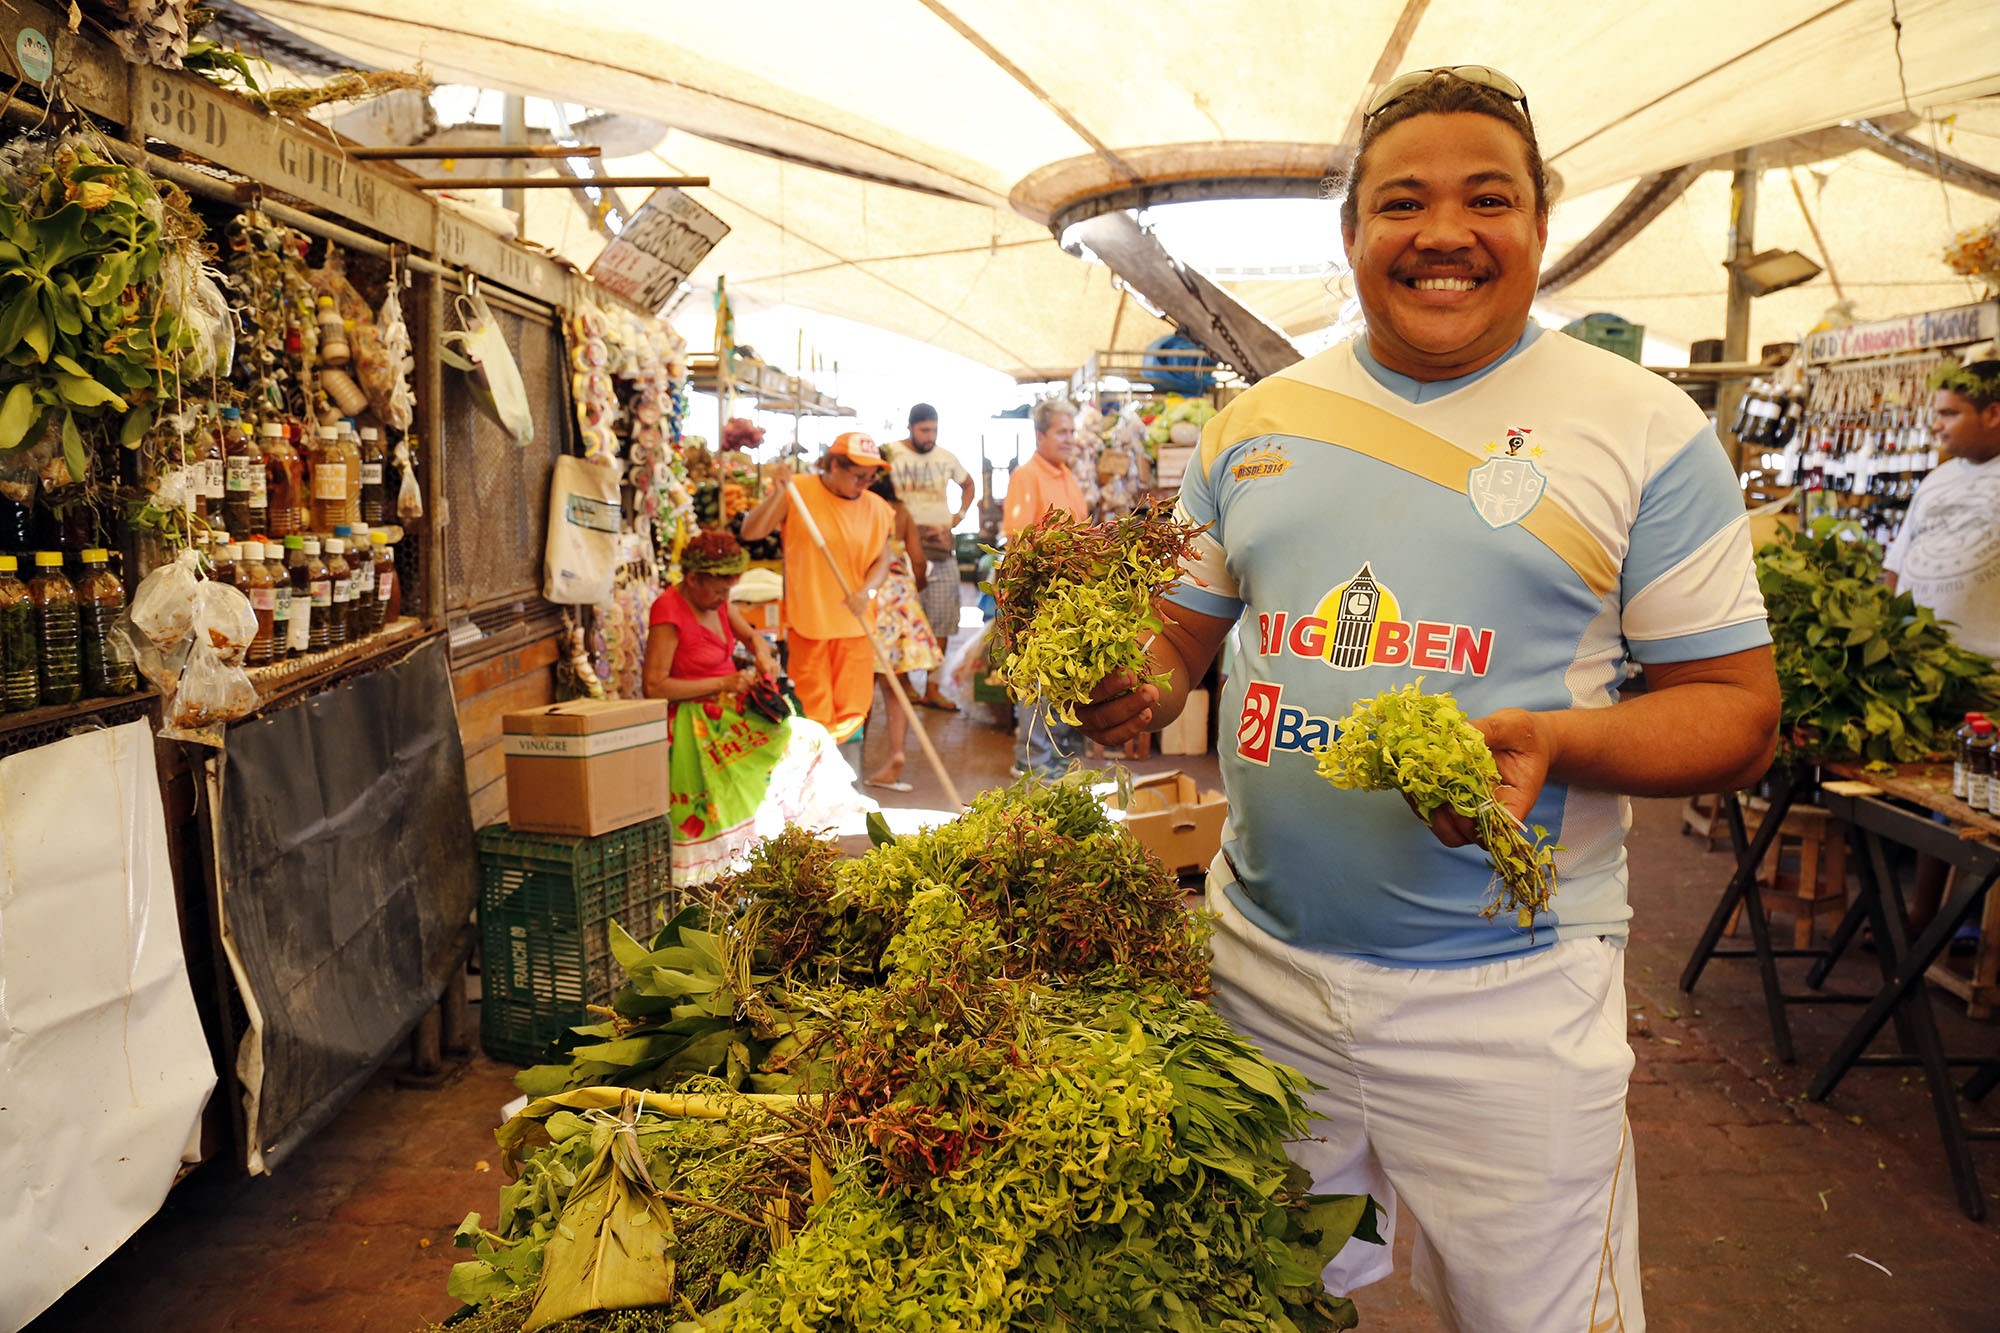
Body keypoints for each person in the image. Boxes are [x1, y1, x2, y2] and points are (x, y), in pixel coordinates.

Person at [1077, 67, 1779, 1333]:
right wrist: (1128, 683)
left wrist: (1551, 740)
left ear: (1538, 226)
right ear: (1351, 232)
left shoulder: (1642, 428)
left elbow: (1734, 709)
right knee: (1252, 1299)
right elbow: (1178, 633)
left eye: (1486, 199)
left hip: (1509, 995)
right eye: (1401, 201)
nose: (1443, 232)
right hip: (1257, 970)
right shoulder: (1252, 425)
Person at [642, 530, 861, 884]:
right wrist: (723, 683)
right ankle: (729, 866)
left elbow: (752, 636)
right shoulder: (668, 610)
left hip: (730, 709)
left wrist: (761, 652)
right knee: (731, 787)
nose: (724, 598)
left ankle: (784, 845)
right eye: (718, 590)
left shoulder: (718, 601)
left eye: (728, 591)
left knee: (810, 736)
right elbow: (654, 687)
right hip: (692, 720)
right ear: (693, 579)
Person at [1885, 358, 2000, 929]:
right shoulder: (1938, 479)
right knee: (1935, 800)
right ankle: (1925, 918)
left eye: (1951, 414)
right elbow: (1896, 565)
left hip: (1991, 677)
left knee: (1977, 805)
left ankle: (1966, 927)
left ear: (1993, 412)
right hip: (1926, 671)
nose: (1938, 425)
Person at [738, 432, 894, 751]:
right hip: (809, 624)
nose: (865, 484)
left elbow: (882, 560)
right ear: (834, 466)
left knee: (853, 712)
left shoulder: (877, 508)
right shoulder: (799, 491)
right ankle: (815, 770)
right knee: (813, 713)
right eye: (858, 476)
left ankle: (843, 773)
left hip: (855, 624)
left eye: (871, 477)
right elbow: (751, 531)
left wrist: (867, 591)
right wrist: (780, 494)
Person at [1002, 397, 1091, 778]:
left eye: (1072, 431)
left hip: (1067, 596)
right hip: (1039, 596)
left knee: (1059, 676)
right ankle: (1032, 762)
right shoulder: (1027, 476)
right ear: (1040, 436)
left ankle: (1052, 756)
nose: (1070, 439)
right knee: (1038, 677)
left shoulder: (1065, 475)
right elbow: (1018, 540)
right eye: (1061, 432)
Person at [886, 403, 976, 708]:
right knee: (899, 620)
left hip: (940, 548)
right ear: (910, 427)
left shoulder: (945, 457)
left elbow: (968, 484)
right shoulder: (890, 454)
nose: (930, 436)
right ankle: (905, 685)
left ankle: (932, 688)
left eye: (934, 430)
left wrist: (957, 517)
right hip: (899, 550)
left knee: (943, 620)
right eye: (924, 430)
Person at [863, 471, 942, 791]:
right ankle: (896, 754)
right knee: (896, 686)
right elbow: (918, 560)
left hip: (870, 598)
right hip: (900, 596)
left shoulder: (862, 508)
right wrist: (914, 588)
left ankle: (853, 757)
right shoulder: (902, 512)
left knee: (862, 686)